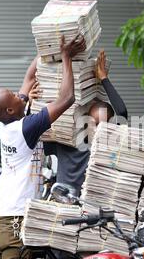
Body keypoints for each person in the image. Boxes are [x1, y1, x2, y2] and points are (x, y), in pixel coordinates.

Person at [0, 34, 86, 259]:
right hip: (13, 217)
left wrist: (48, 46)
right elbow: (67, 98)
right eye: (14, 96)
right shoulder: (25, 128)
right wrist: (65, 57)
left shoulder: (6, 121)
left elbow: (30, 77)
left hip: (13, 210)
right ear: (10, 108)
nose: (20, 95)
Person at [42, 49, 128, 196]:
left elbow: (122, 113)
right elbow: (44, 122)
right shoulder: (64, 140)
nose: (95, 129)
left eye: (102, 125)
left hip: (90, 205)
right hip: (64, 204)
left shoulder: (106, 146)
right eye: (92, 122)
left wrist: (104, 79)